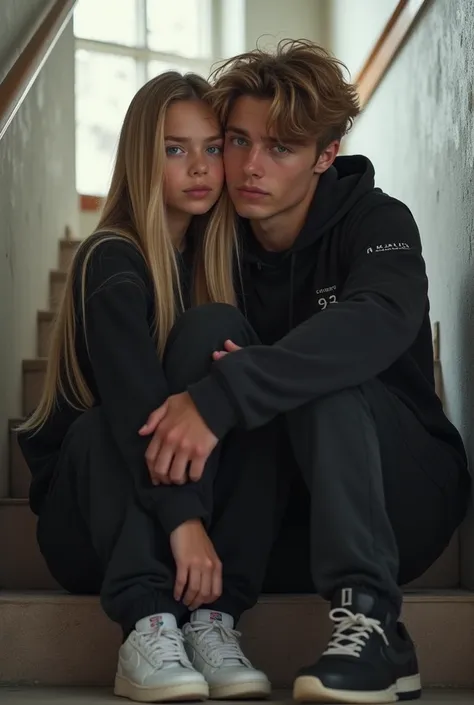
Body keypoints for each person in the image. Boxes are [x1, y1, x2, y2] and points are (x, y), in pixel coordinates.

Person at [139, 41, 471, 704]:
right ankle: (184, 613)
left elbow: (377, 318)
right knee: (206, 332)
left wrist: (229, 389)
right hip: (275, 522)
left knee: (331, 369)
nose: (249, 168)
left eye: (281, 148)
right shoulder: (210, 234)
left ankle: (376, 623)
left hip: (399, 498)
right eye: (237, 140)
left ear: (326, 155)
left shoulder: (376, 221)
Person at [17, 72, 274, 703]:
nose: (200, 168)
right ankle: (148, 625)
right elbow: (135, 408)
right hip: (94, 530)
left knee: (233, 353)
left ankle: (214, 619)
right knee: (103, 423)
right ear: (140, 155)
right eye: (174, 148)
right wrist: (184, 523)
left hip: (190, 532)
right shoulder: (109, 258)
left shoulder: (219, 263)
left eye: (212, 148)